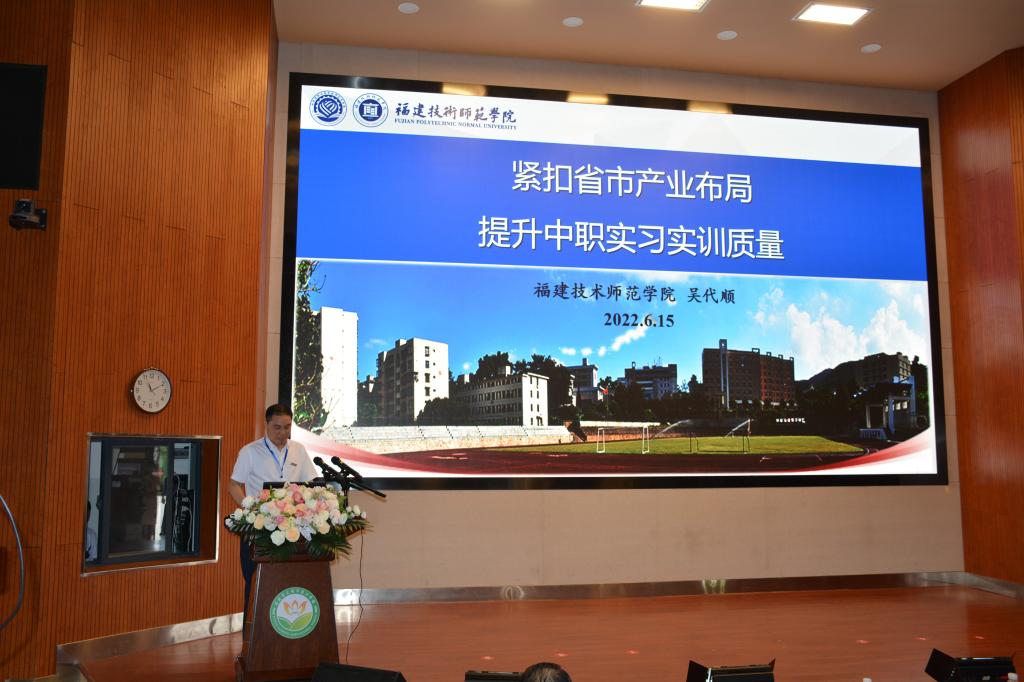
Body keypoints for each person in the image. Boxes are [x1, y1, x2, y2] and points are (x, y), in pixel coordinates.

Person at [229, 403, 319, 621]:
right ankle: (252, 633)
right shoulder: (250, 451)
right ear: (266, 424)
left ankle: (289, 628)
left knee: (290, 582)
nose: (283, 433)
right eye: (277, 427)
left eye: (287, 427)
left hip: (293, 530)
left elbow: (312, 484)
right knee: (257, 583)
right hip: (260, 529)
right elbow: (233, 485)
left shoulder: (298, 450)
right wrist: (250, 509)